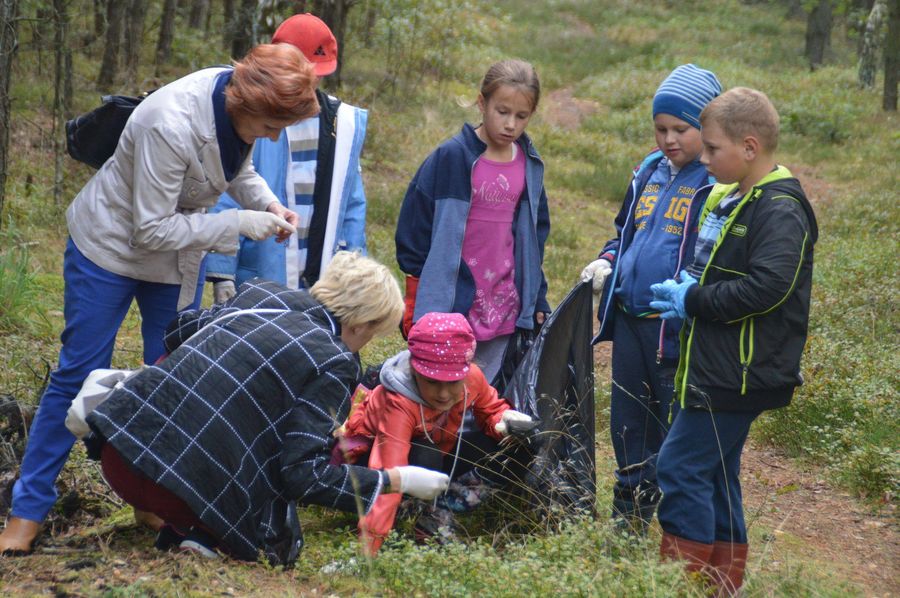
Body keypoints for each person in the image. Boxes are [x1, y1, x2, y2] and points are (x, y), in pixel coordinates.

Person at [0, 43, 317, 555]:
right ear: (247, 100)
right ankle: (27, 509)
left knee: (171, 379)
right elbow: (150, 229)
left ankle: (151, 495)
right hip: (109, 248)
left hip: (175, 258)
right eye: (272, 125)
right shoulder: (169, 122)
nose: (275, 136)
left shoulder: (235, 99)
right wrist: (237, 222)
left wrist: (267, 203)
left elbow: (231, 169)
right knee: (79, 372)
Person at [85, 252, 451, 564]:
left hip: (120, 454)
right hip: (182, 489)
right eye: (372, 333)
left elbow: (177, 331)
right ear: (361, 324)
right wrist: (394, 481)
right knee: (279, 542)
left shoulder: (261, 292)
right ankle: (204, 532)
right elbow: (301, 473)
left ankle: (178, 522)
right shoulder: (335, 361)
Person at [649, 87, 817, 595]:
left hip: (737, 374)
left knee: (678, 468)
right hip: (719, 367)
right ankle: (722, 586)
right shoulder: (743, 196)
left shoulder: (780, 208)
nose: (704, 158)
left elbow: (770, 287)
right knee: (717, 476)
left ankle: (682, 585)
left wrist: (695, 299)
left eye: (712, 149)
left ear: (749, 147)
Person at [579, 64, 722, 531]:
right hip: (629, 321)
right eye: (661, 128)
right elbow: (624, 230)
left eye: (681, 128)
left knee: (673, 424)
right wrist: (606, 260)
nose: (669, 138)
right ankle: (629, 516)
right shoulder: (648, 170)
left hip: (674, 330)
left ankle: (679, 523)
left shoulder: (713, 183)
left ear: (709, 127)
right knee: (627, 419)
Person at [395, 59, 551, 386]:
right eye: (502, 111)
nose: (510, 124)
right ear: (482, 103)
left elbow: (536, 235)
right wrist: (419, 283)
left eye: (521, 116)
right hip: (453, 298)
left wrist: (536, 295)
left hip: (504, 300)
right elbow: (415, 220)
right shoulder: (453, 156)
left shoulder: (528, 165)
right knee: (441, 383)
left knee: (484, 389)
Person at [336, 312, 532, 554]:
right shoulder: (398, 403)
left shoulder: (472, 379)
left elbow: (491, 409)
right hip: (373, 471)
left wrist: (504, 422)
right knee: (426, 452)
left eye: (452, 382)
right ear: (415, 370)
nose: (443, 394)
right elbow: (389, 473)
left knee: (523, 443)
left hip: (438, 455)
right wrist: (369, 549)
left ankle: (438, 513)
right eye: (432, 381)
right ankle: (402, 520)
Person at [207, 13, 369, 301]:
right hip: (260, 269)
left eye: (318, 72)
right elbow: (229, 190)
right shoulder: (252, 114)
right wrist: (222, 270)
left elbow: (352, 202)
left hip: (319, 270)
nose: (312, 80)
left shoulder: (342, 123)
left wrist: (356, 265)